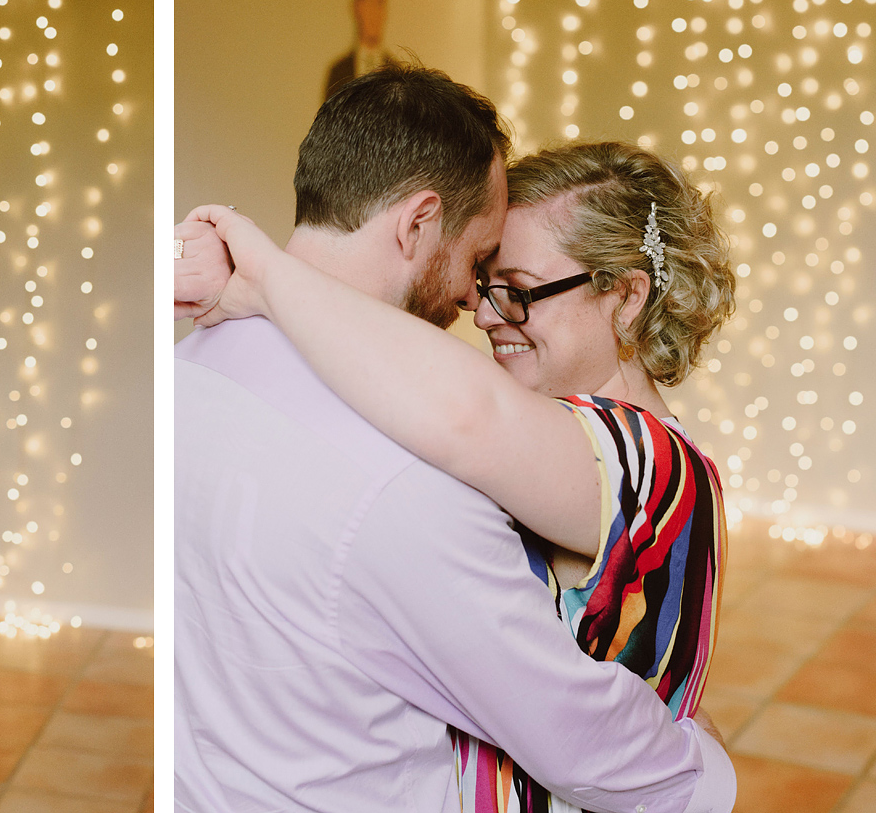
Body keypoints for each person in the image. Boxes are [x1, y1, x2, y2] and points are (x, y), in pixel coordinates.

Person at [173, 66, 736, 812]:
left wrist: (262, 276)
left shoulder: (653, 465)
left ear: (626, 297)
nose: (481, 309)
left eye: (515, 286)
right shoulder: (456, 443)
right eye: (482, 270)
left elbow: (468, 416)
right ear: (419, 223)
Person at [322, 0, 394, 102]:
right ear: (356, 6)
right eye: (368, 0)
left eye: (379, 1)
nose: (373, 11)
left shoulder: (399, 73)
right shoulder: (338, 74)